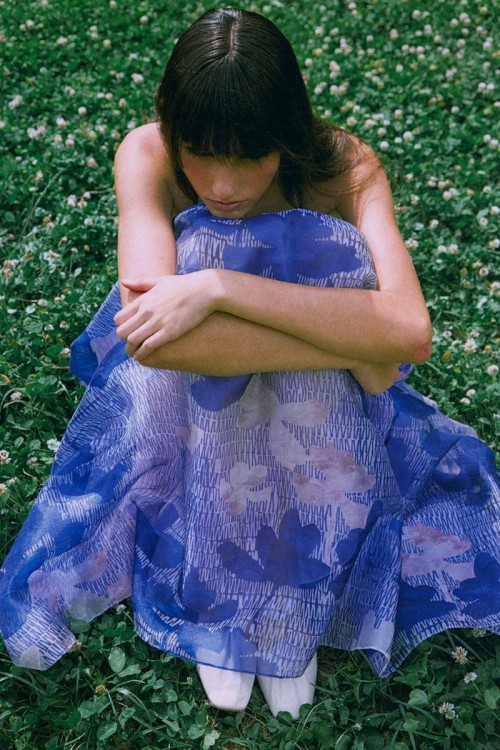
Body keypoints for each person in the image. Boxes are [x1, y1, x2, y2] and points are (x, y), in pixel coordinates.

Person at [0, 7, 498, 721]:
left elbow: (410, 332)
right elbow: (155, 343)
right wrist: (356, 345)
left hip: (318, 421)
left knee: (327, 251)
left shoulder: (344, 167)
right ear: (173, 127)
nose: (224, 184)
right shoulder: (146, 154)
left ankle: (293, 587)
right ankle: (222, 586)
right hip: (184, 412)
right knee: (205, 240)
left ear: (287, 134)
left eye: (251, 155)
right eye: (202, 153)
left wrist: (218, 289)